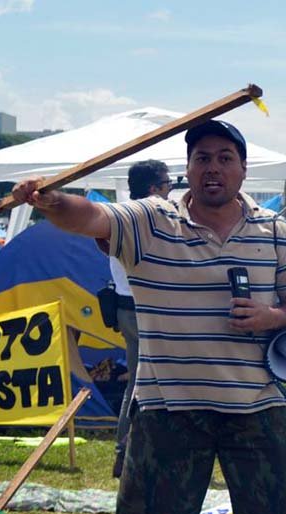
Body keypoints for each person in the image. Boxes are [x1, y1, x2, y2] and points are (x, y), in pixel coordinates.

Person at [11, 119, 286, 514]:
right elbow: (90, 216)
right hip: (167, 407)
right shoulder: (149, 221)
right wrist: (51, 200)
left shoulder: (275, 231)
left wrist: (272, 318)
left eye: (225, 157)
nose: (213, 167)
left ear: (242, 169)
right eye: (202, 158)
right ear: (187, 169)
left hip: (256, 405)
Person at [111, 159, 171, 479]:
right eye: (166, 185)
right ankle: (134, 452)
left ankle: (126, 450)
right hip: (144, 308)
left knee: (136, 382)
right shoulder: (147, 220)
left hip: (127, 307)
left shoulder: (121, 218)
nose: (170, 190)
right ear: (153, 190)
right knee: (152, 383)